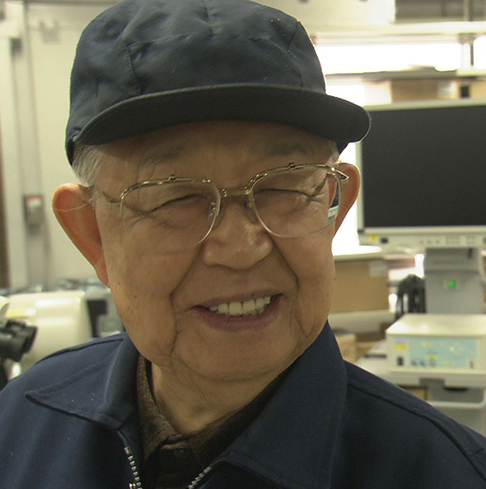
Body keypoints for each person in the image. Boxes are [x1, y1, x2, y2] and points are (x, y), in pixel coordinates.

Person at [1, 0, 486, 487]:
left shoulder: (446, 472)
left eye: (285, 186)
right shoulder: (20, 426)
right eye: (176, 197)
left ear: (333, 208)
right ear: (91, 234)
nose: (241, 249)